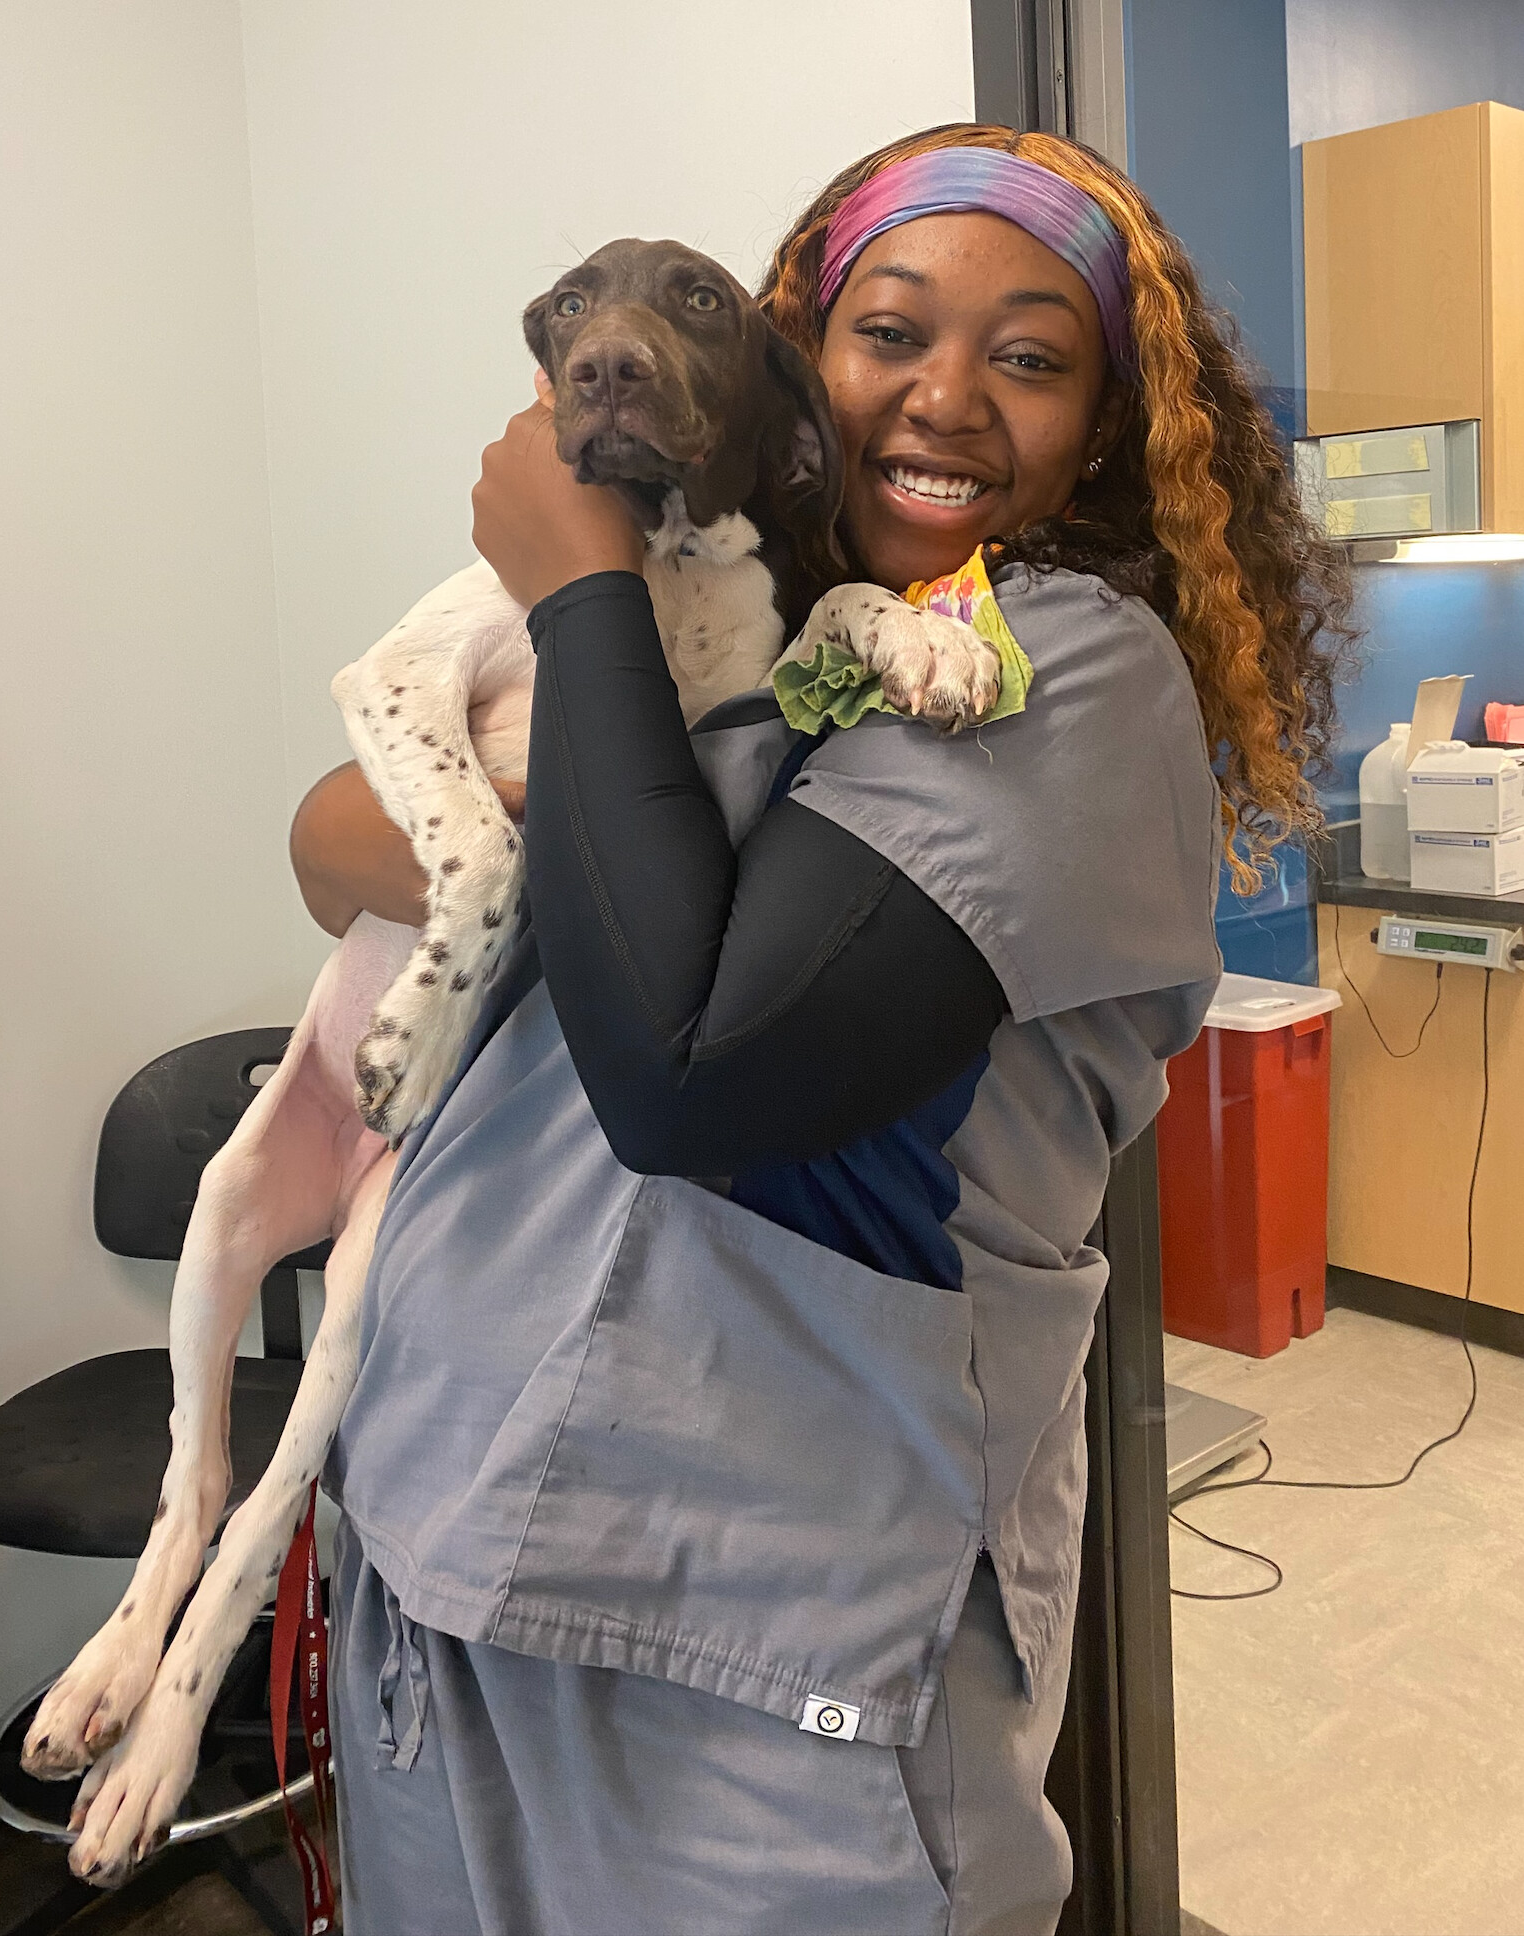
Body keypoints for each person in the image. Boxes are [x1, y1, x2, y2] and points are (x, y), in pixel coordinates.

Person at [291, 124, 1351, 1936]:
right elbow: (331, 842)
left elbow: (692, 1070)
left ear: (1103, 427)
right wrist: (560, 744)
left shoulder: (1057, 672)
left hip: (762, 1646)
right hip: (433, 1542)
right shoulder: (738, 629)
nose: (945, 397)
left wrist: (575, 596)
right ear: (797, 366)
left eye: (1029, 358)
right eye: (888, 334)